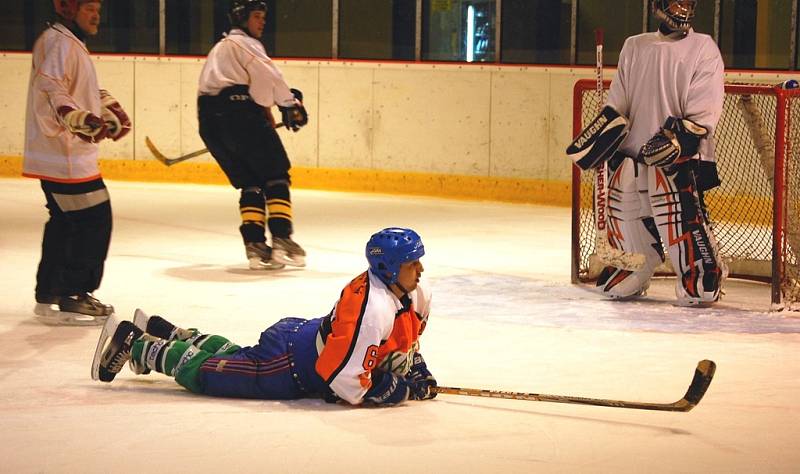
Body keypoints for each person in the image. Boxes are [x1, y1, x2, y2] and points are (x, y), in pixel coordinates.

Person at [91, 227, 437, 407]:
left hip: (298, 340)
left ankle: (163, 329)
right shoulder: (372, 310)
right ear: (388, 268)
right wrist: (401, 390)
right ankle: (137, 344)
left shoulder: (415, 293)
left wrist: (416, 367)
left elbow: (406, 338)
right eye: (411, 263)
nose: (420, 270)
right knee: (209, 374)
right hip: (289, 366)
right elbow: (345, 385)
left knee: (234, 356)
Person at [596, 0, 727, 306]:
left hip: (679, 158)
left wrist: (682, 138)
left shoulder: (703, 47)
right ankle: (633, 266)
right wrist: (604, 135)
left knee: (677, 211)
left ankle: (699, 272)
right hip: (633, 154)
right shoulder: (635, 46)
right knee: (622, 200)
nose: (683, 7)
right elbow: (619, 103)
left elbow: (704, 112)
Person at [24, 0, 131, 325]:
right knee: (94, 220)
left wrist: (107, 108)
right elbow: (52, 88)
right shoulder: (59, 42)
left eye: (98, 7)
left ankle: (49, 292)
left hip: (63, 155)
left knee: (65, 222)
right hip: (64, 157)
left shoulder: (67, 42)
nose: (96, 13)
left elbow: (78, 89)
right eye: (88, 8)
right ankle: (73, 293)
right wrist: (76, 118)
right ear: (69, 10)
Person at [197, 0, 308, 270]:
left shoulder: (220, 48)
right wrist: (290, 105)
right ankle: (282, 237)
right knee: (276, 175)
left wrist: (261, 108)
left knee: (251, 182)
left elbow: (246, 88)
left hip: (210, 122)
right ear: (242, 19)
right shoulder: (246, 44)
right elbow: (270, 77)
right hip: (240, 116)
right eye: (257, 17)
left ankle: (255, 244)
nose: (262, 22)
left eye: (263, 17)